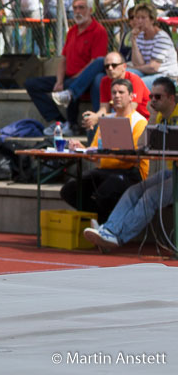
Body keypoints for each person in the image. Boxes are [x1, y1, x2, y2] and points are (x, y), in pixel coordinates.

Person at [82, 77, 178, 249]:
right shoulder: (160, 117)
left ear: (171, 98)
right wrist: (153, 117)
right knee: (133, 191)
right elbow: (142, 145)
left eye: (158, 97)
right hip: (173, 172)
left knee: (150, 196)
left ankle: (119, 237)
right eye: (151, 97)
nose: (153, 101)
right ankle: (109, 231)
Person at [63, 78, 148, 223]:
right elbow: (95, 153)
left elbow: (136, 158)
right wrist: (82, 149)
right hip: (105, 170)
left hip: (131, 172)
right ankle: (98, 220)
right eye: (114, 92)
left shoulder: (139, 122)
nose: (117, 96)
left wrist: (114, 152)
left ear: (131, 96)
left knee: (105, 191)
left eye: (121, 92)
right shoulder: (107, 120)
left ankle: (104, 225)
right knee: (69, 190)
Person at [25, 0, 108, 135]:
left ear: (90, 10)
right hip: (68, 78)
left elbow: (95, 63)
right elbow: (63, 59)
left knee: (71, 84)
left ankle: (72, 123)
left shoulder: (99, 31)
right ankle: (60, 122)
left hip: (84, 80)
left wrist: (73, 79)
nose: (77, 11)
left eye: (81, 7)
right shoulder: (72, 31)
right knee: (31, 84)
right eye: (75, 8)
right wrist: (59, 81)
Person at [78, 52, 150, 132]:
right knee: (92, 125)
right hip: (120, 117)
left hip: (141, 121)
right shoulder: (105, 81)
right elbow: (104, 109)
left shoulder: (134, 80)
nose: (110, 68)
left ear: (124, 66)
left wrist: (99, 118)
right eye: (106, 66)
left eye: (114, 65)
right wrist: (94, 117)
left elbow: (130, 110)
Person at [128, 3, 178, 88]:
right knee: (124, 75)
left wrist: (135, 68)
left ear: (152, 20)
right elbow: (139, 63)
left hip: (167, 76)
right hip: (147, 72)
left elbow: (153, 67)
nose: (139, 21)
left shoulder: (161, 38)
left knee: (136, 84)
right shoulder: (139, 36)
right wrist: (133, 41)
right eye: (137, 17)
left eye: (143, 18)